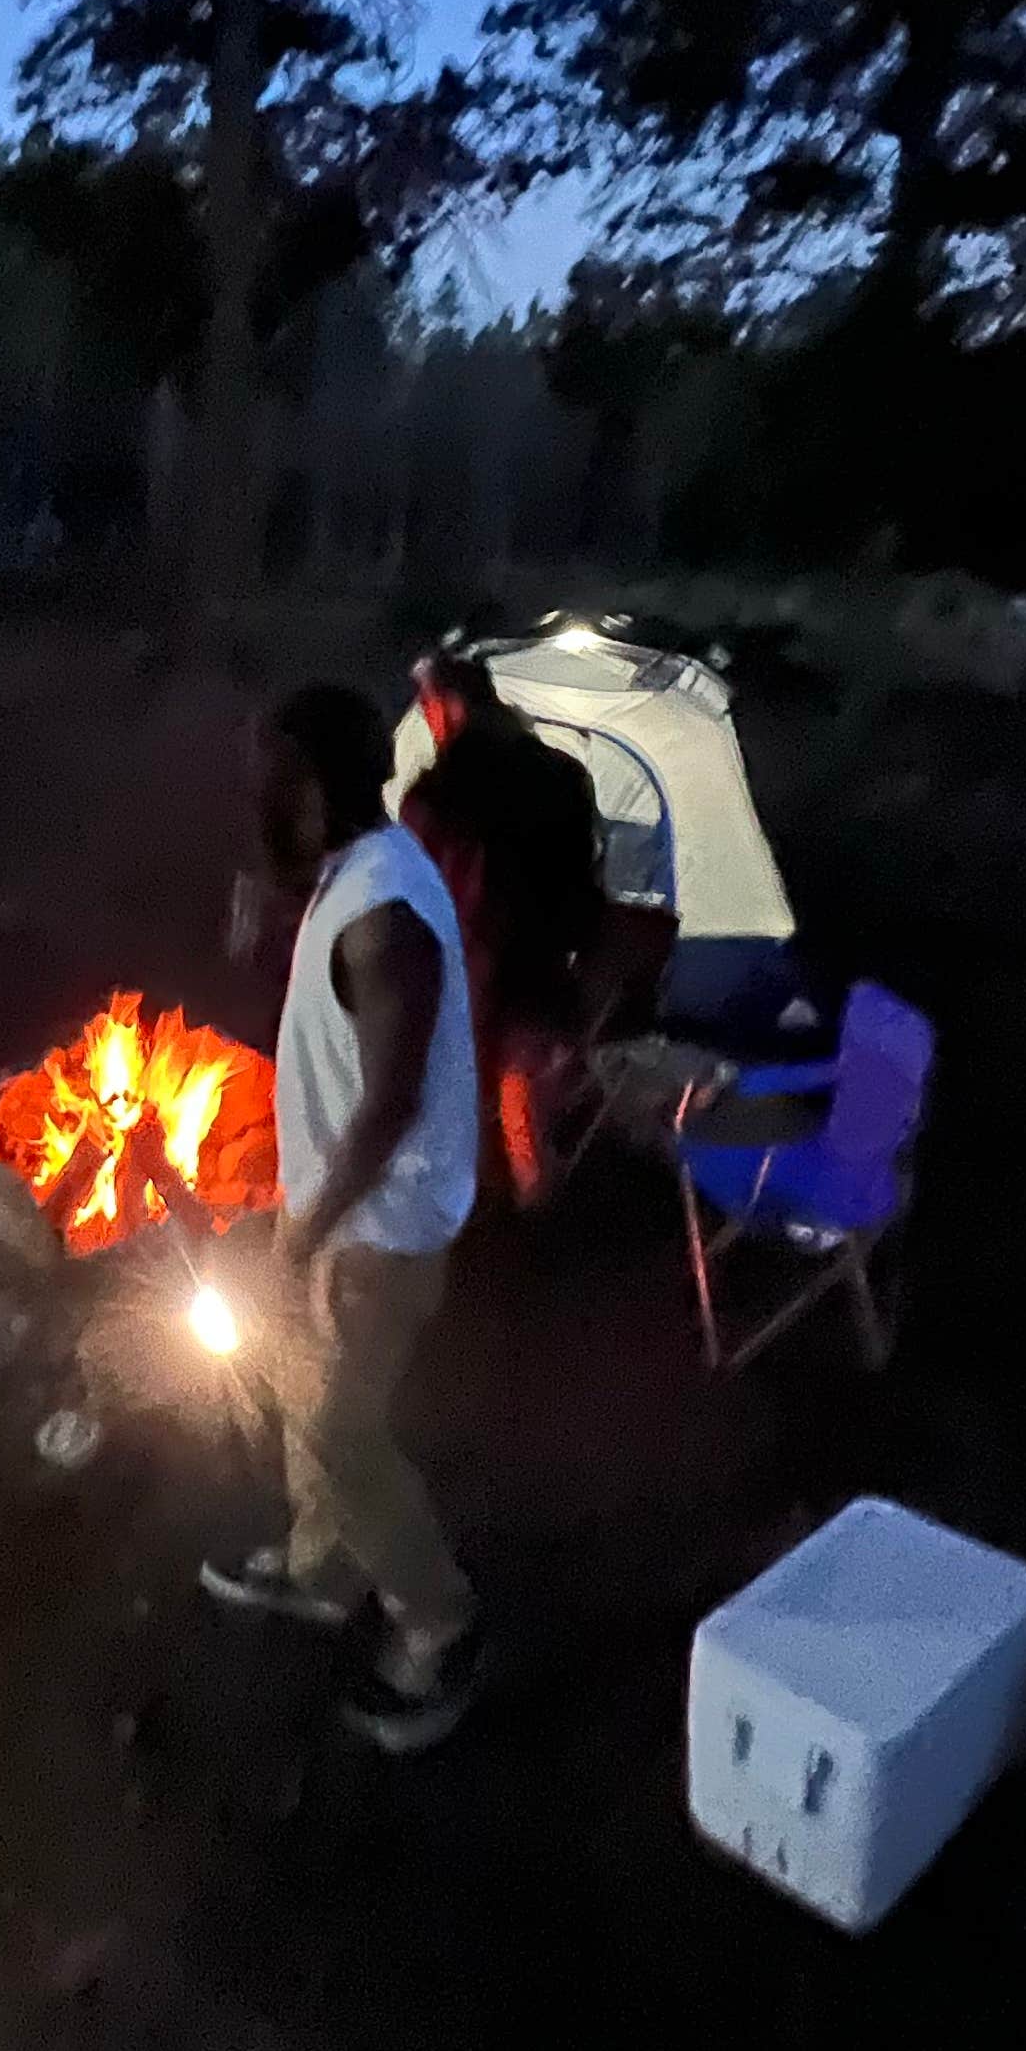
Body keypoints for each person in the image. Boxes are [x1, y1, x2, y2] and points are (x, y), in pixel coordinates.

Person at [201, 682, 483, 1753]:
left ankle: (440, 1622)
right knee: (299, 1382)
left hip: (379, 1229)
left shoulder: (384, 918)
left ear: (314, 791)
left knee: (339, 1429)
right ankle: (323, 1572)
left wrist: (302, 1230)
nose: (254, 804)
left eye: (268, 783)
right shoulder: (357, 875)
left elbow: (392, 1103)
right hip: (343, 1215)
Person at [394, 650, 606, 1207]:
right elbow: (583, 882)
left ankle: (492, 1221)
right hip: (548, 978)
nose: (430, 722)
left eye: (429, 708)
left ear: (449, 706)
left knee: (479, 1118)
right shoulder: (562, 775)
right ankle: (535, 1214)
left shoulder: (436, 797)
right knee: (526, 1122)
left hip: (477, 984)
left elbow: (416, 901)